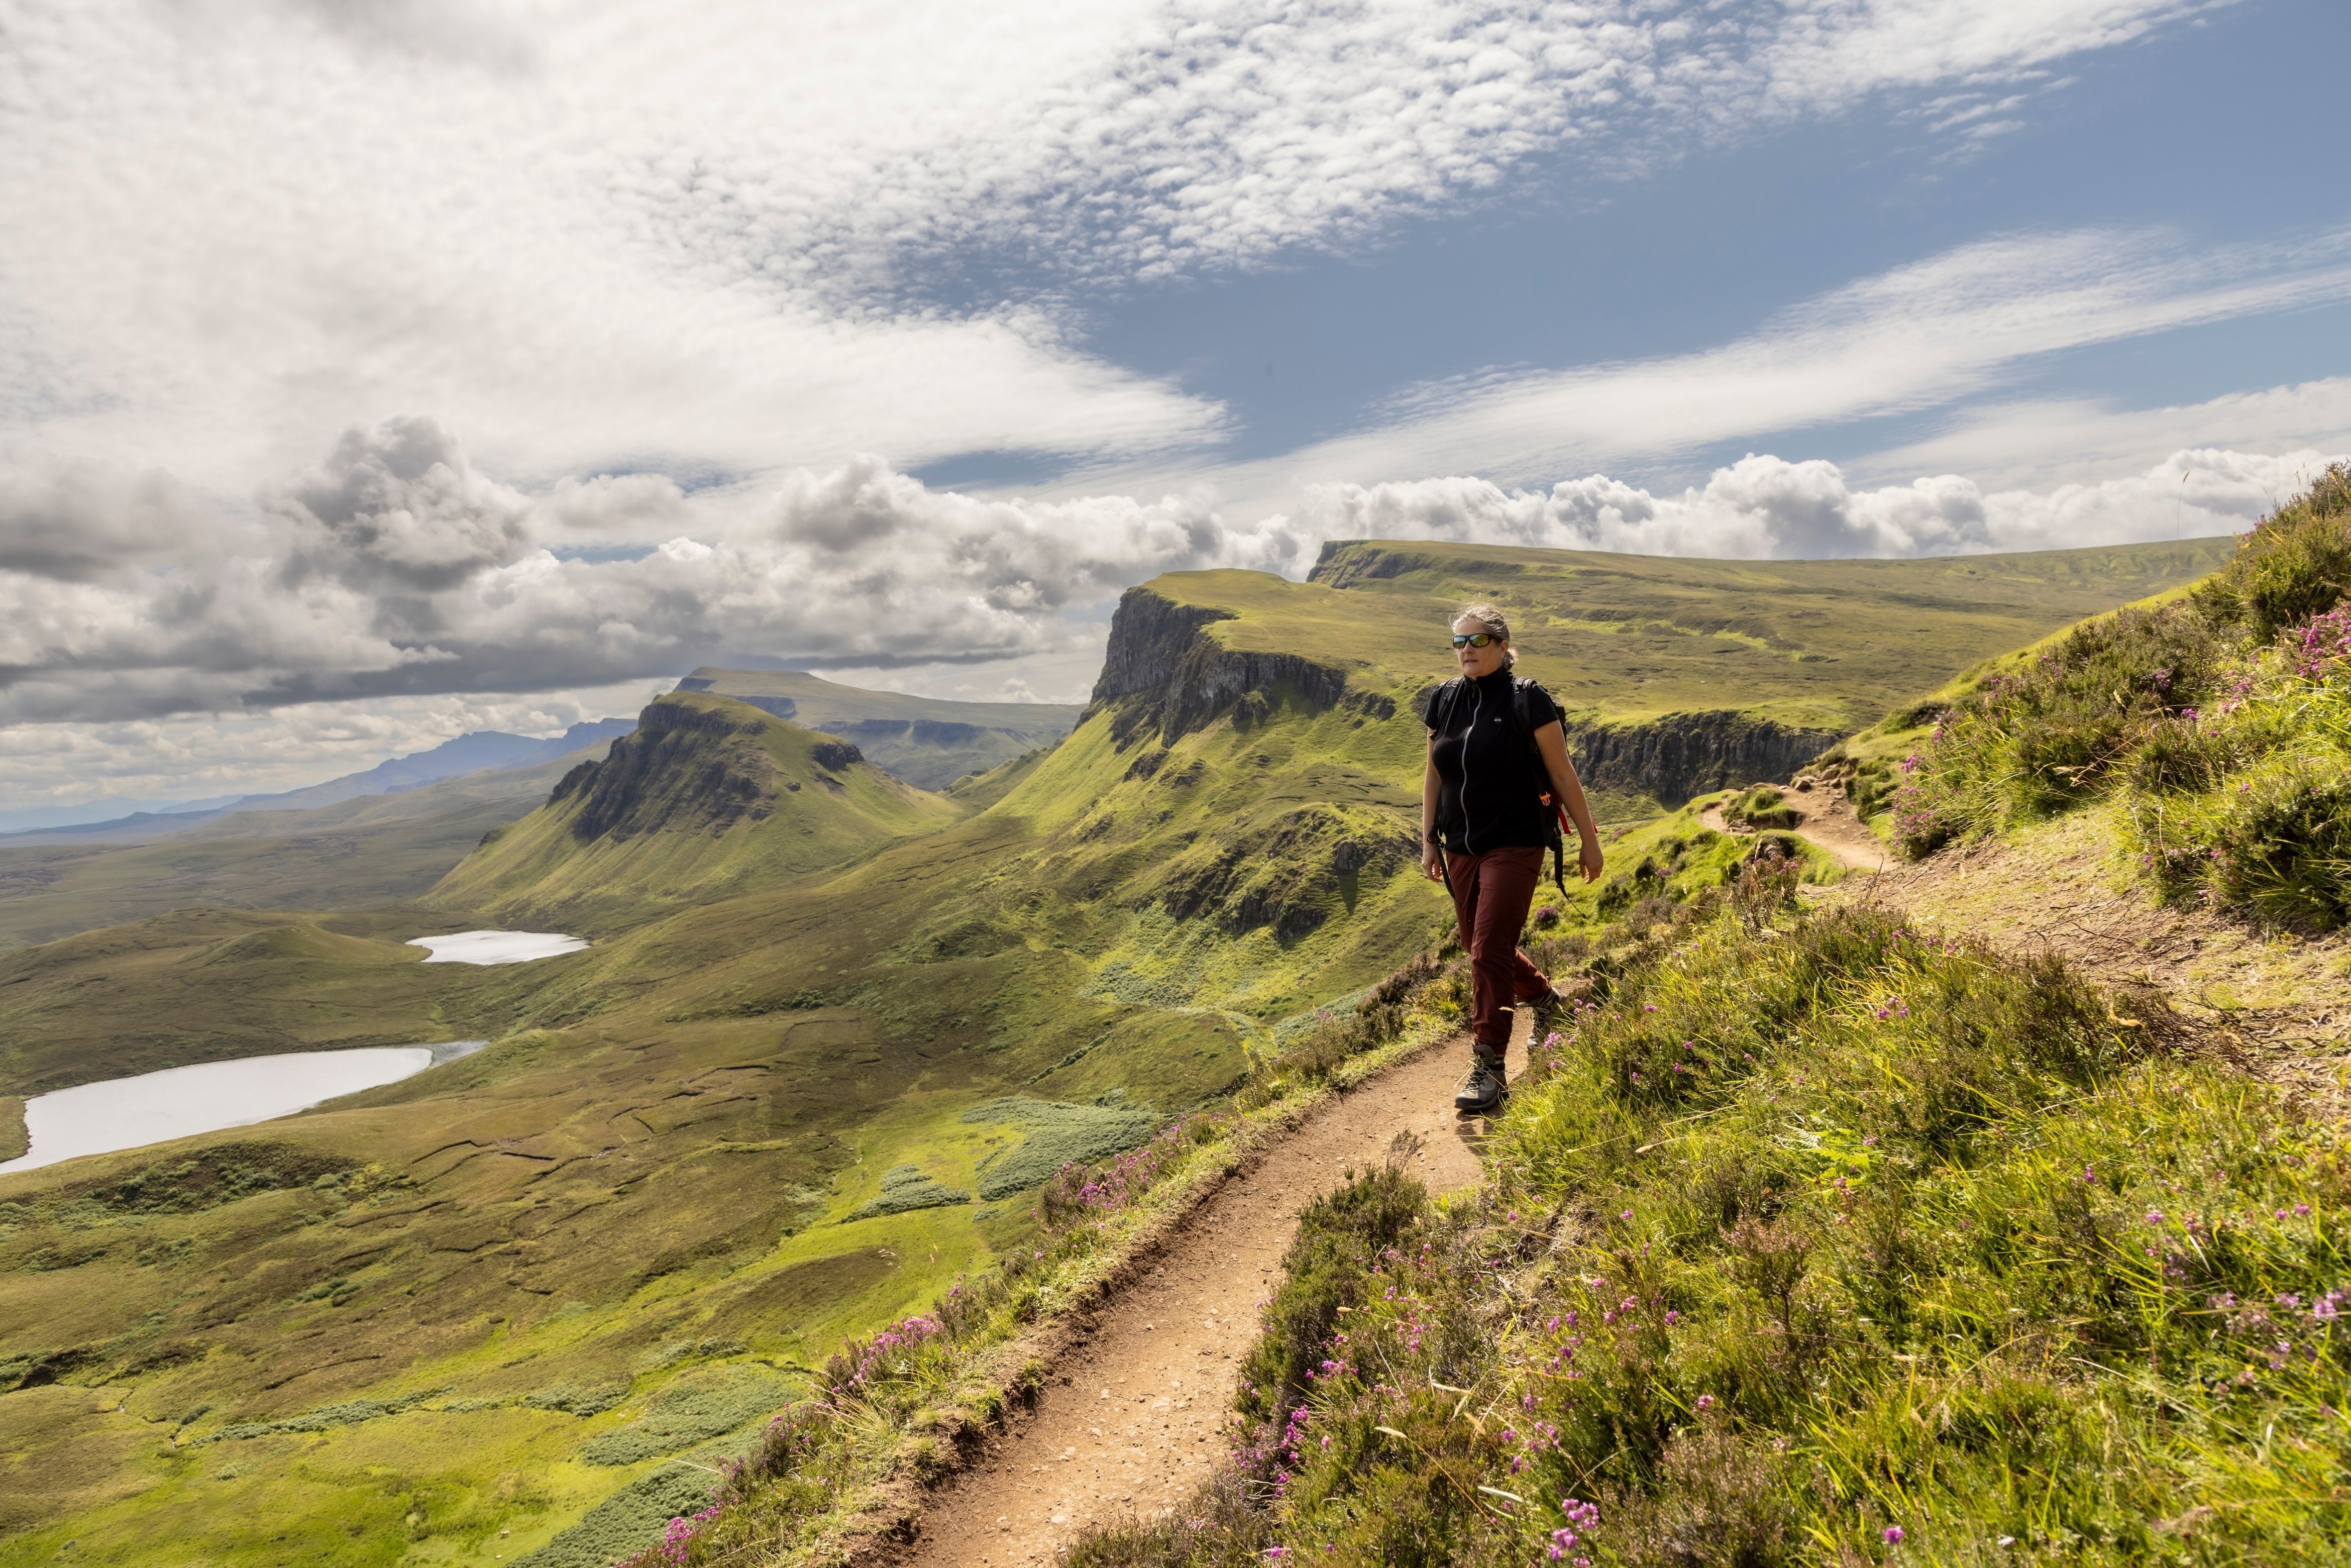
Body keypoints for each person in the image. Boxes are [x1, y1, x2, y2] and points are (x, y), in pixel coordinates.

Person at [1421, 604, 1603, 1114]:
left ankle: (1489, 1069)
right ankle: (1547, 1003)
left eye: (1476, 641)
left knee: (1485, 950)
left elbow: (1562, 773)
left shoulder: (1529, 700)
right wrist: (1427, 840)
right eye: (1458, 643)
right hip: (1459, 844)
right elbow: (1433, 775)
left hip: (1516, 841)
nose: (1466, 652)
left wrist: (1589, 840)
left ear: (1502, 646)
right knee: (1480, 946)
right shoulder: (1442, 701)